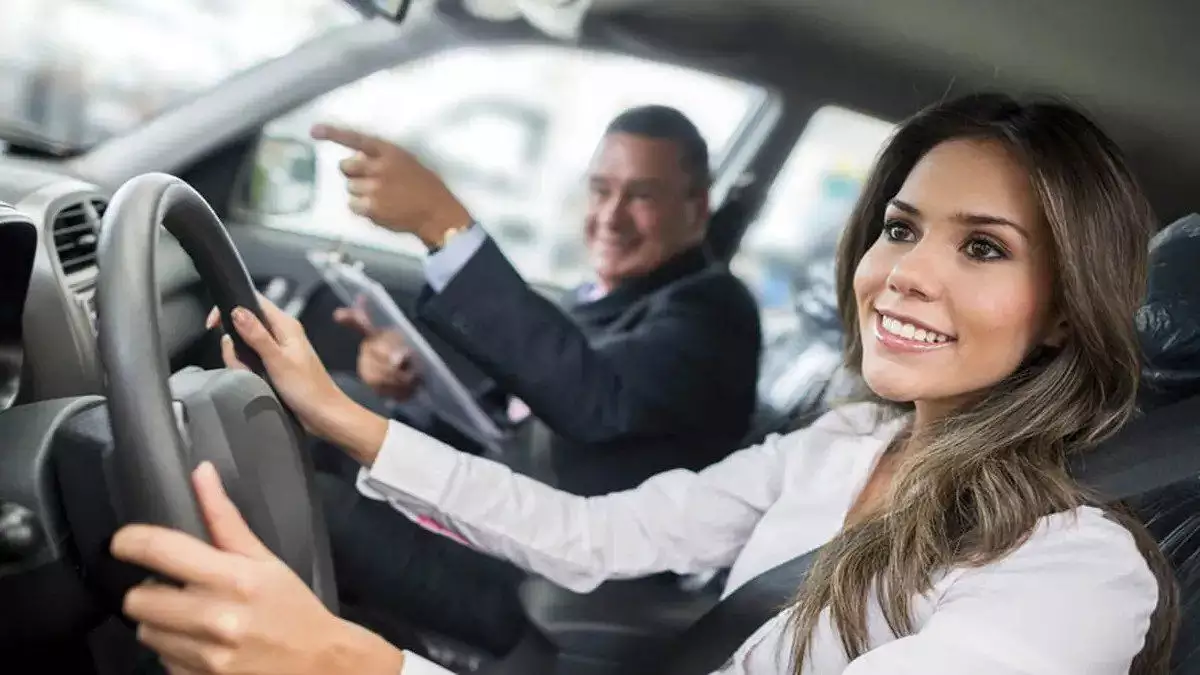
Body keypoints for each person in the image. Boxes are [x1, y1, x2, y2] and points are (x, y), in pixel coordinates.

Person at [112, 92, 1179, 675]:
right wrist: (344, 416)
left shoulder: (1076, 575)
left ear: (1066, 310)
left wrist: (353, 666)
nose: (905, 273)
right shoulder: (845, 442)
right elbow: (599, 534)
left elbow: (590, 401)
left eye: (983, 248)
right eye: (900, 229)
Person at [311, 104, 764, 497]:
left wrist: (441, 224)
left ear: (697, 208)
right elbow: (495, 422)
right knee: (333, 406)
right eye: (601, 190)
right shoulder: (593, 297)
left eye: (642, 196)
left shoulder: (715, 312)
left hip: (546, 554)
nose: (611, 216)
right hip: (487, 496)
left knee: (319, 478)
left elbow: (593, 399)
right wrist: (413, 388)